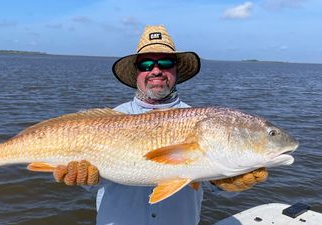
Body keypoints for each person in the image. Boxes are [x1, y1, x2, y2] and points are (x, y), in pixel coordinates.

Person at [52, 25, 268, 225]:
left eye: (165, 63)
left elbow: (214, 183)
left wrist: (226, 183)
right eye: (146, 64)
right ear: (137, 73)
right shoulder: (112, 118)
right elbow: (96, 183)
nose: (156, 70)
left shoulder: (207, 123)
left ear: (176, 71)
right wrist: (85, 179)